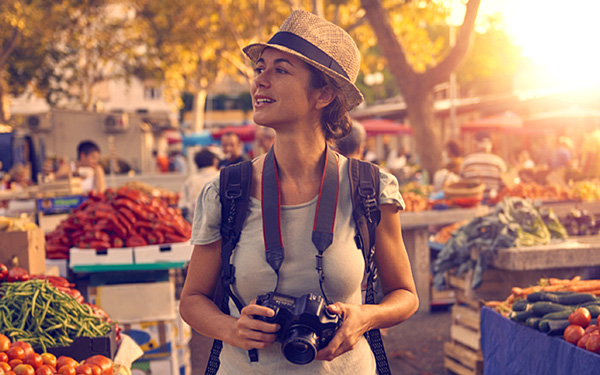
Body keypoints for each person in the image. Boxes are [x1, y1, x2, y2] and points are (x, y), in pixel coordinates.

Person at [179, 9, 418, 374]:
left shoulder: (370, 188)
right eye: (260, 68)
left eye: (280, 70)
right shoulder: (226, 191)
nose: (259, 81)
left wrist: (365, 317)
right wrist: (233, 328)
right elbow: (192, 300)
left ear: (323, 95)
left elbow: (405, 296)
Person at [459, 131, 506, 201]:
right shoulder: (499, 162)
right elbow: (504, 185)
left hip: (471, 203)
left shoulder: (466, 161)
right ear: (491, 144)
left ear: (475, 144)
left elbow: (460, 185)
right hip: (493, 203)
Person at [178, 148, 219, 221]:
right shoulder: (221, 176)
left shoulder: (190, 180)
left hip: (196, 223)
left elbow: (182, 205)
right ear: (214, 161)